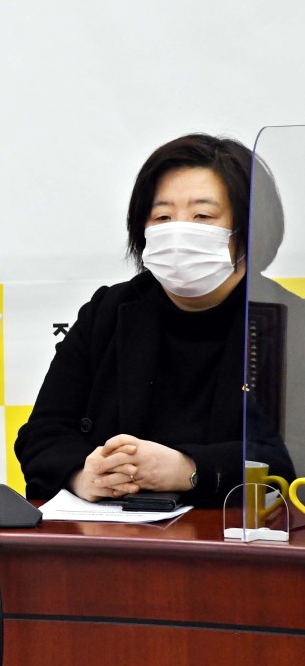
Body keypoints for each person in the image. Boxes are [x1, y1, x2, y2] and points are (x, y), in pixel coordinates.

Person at [16, 134, 295, 506]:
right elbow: (43, 434)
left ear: (249, 231)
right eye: (162, 216)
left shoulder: (290, 323)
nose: (178, 231)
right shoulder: (109, 311)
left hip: (239, 545)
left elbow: (294, 455)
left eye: (202, 216)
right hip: (115, 543)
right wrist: (85, 475)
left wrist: (189, 469)